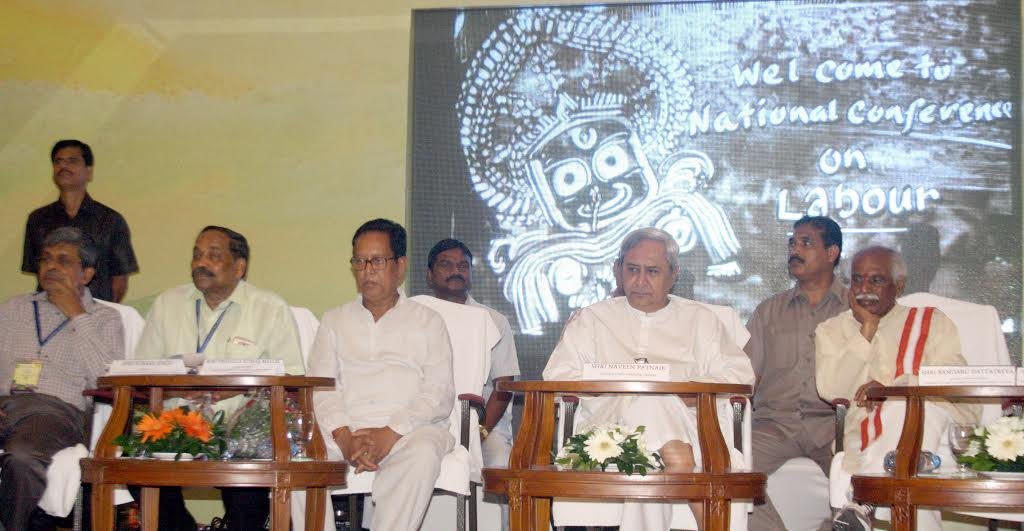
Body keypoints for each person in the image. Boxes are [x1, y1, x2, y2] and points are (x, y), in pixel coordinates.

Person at [543, 227, 754, 531]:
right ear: (618, 270)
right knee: (648, 408)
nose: (640, 280)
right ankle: (680, 466)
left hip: (688, 425)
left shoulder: (701, 320)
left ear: (674, 274)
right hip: (609, 429)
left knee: (652, 411)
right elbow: (557, 377)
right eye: (632, 269)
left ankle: (676, 458)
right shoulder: (593, 319)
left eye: (652, 271)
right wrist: (612, 386)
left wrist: (682, 394)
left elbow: (740, 376)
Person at [135, 225, 304, 530]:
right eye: (196, 255)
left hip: (240, 427)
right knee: (134, 462)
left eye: (213, 256)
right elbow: (141, 372)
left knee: (247, 476)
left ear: (239, 267)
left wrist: (235, 387)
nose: (201, 263)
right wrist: (177, 387)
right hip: (176, 423)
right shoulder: (167, 304)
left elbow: (291, 379)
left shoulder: (269, 308)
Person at [816, 246, 979, 531]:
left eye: (876, 280)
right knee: (911, 472)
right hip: (867, 436)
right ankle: (867, 502)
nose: (864, 289)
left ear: (899, 285)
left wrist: (895, 389)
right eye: (857, 280)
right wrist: (867, 329)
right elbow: (832, 389)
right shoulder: (831, 330)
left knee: (905, 404)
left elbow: (950, 382)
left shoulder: (931, 323)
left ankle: (865, 500)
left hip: (937, 427)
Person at [309, 219, 455, 530]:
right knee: (297, 458)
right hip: (345, 430)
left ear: (400, 266)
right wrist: (344, 437)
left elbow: (438, 393)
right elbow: (321, 388)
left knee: (423, 452)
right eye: (359, 262)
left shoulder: (428, 321)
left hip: (409, 431)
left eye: (377, 261)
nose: (367, 271)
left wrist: (390, 432)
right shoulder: (334, 321)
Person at [0, 227, 125, 530]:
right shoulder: (14, 309)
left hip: (55, 413)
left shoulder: (105, 318)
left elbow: (106, 380)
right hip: (5, 404)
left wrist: (77, 315)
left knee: (22, 457)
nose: (51, 267)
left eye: (63, 260)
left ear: (87, 274)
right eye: (46, 259)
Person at [746, 215, 846, 530]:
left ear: (831, 253)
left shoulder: (855, 310)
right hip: (774, 425)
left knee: (865, 485)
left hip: (835, 426)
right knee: (726, 471)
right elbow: (744, 377)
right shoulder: (768, 310)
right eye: (792, 243)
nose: (794, 250)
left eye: (806, 243)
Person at [426, 238, 520, 529]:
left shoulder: (493, 320)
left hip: (484, 425)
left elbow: (504, 386)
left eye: (463, 266)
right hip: (426, 421)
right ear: (429, 274)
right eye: (446, 265)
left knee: (500, 461)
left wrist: (480, 430)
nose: (456, 271)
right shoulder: (415, 316)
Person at [22, 139, 139, 303]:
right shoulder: (38, 219)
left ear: (89, 171)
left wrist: (100, 312)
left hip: (96, 312)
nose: (63, 166)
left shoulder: (111, 220)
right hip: (49, 312)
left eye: (72, 161)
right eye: (58, 162)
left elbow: (120, 280)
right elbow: (39, 272)